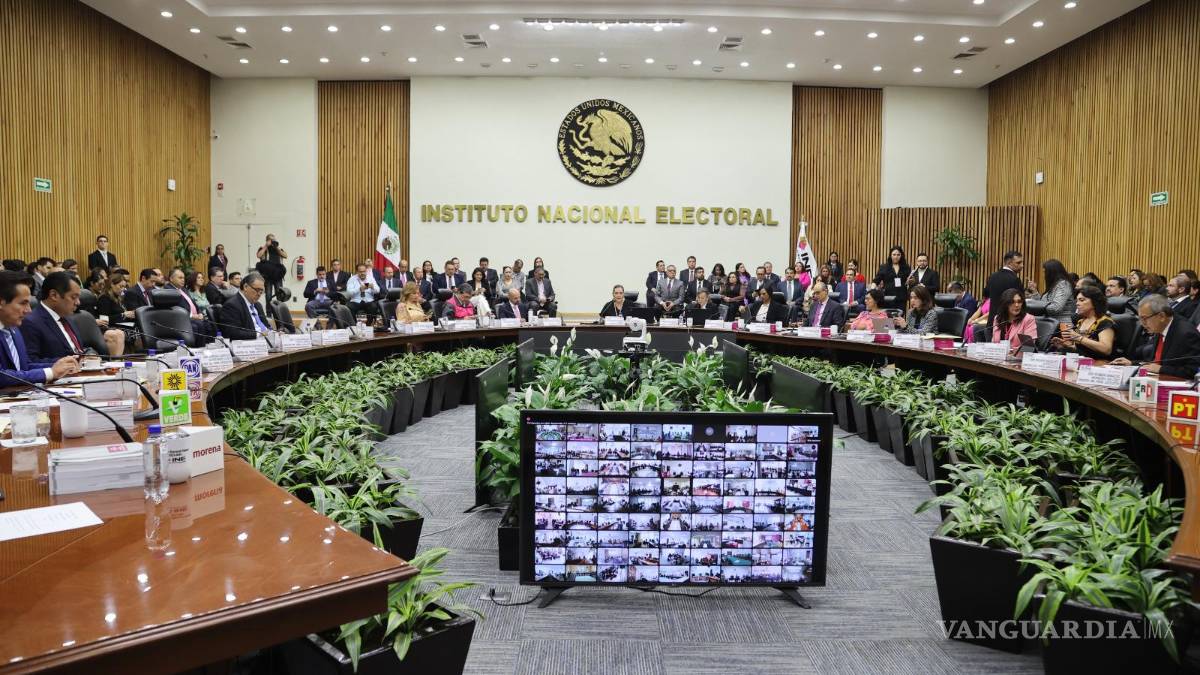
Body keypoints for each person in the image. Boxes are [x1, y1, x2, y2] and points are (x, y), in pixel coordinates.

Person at [0, 271, 80, 387]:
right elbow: (2, 376)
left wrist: (60, 365)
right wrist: (50, 372)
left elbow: (24, 367)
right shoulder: (20, 325)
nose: (28, 310)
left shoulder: (14, 330)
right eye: (23, 303)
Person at [21, 271, 120, 358]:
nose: (78, 302)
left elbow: (75, 350)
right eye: (73, 297)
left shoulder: (66, 317)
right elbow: (30, 362)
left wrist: (89, 356)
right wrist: (71, 362)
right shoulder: (31, 323)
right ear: (54, 295)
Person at [1113, 295, 1200, 378]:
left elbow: (1193, 371)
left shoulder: (1186, 333)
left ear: (1162, 316)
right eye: (1140, 319)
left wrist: (1161, 369)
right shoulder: (1161, 327)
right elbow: (1155, 362)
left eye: (1144, 318)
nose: (1142, 324)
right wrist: (1132, 363)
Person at [1052, 284, 1115, 360]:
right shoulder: (1081, 321)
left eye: (1082, 300)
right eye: (1077, 300)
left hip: (1099, 364)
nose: (1077, 303)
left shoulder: (1105, 322)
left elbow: (1106, 349)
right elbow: (1082, 349)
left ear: (1095, 302)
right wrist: (1066, 346)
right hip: (1081, 362)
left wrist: (1079, 338)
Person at [218, 272, 272, 341]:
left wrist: (273, 333)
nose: (259, 294)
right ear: (245, 287)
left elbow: (266, 326)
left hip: (265, 341)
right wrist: (258, 334)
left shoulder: (257, 305)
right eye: (257, 290)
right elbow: (231, 332)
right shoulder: (232, 305)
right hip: (250, 343)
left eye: (261, 291)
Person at [1026, 258, 1075, 325]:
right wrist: (1034, 291)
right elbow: (1042, 303)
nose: (1044, 275)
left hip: (1061, 325)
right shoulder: (1054, 285)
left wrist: (1036, 307)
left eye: (1045, 272)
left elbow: (1056, 308)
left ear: (1051, 273)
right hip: (1051, 324)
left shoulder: (1063, 285)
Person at [985, 250, 1025, 331]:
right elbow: (1022, 301)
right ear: (1009, 263)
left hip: (991, 323)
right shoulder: (1015, 279)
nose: (1022, 265)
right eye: (1018, 263)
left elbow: (986, 294)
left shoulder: (993, 276)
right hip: (1007, 325)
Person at [168, 267, 211, 341]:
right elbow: (175, 308)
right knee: (199, 325)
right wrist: (192, 316)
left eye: (183, 278)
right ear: (171, 279)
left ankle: (208, 346)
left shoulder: (183, 289)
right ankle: (198, 347)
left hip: (194, 317)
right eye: (180, 278)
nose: (183, 280)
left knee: (208, 323)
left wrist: (200, 313)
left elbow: (194, 304)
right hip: (182, 319)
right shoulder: (168, 290)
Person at [991, 288, 1037, 354]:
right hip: (998, 358)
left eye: (1019, 301)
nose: (1016, 305)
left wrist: (1011, 352)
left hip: (1018, 359)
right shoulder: (998, 319)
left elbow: (1029, 348)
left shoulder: (1028, 319)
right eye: (1012, 302)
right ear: (1005, 304)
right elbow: (994, 343)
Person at [255, 234, 288, 305]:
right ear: (267, 240)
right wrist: (266, 246)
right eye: (271, 240)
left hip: (278, 275)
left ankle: (279, 310)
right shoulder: (263, 248)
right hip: (267, 276)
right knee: (268, 295)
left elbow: (285, 256)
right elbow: (258, 255)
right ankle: (269, 311)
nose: (273, 241)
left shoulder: (278, 248)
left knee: (279, 294)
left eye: (274, 239)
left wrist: (277, 247)